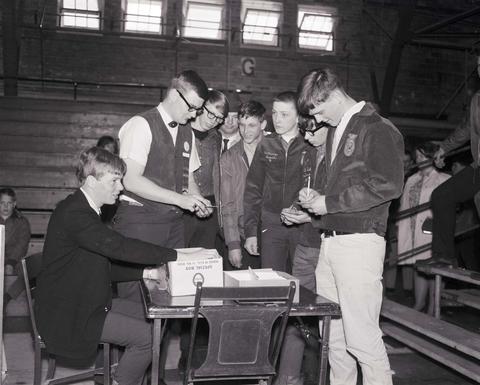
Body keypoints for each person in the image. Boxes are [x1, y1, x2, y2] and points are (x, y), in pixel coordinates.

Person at [34, 147, 216, 385]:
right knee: (146, 338)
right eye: (114, 181)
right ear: (91, 181)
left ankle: (124, 377)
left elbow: (100, 264)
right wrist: (178, 256)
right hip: (69, 312)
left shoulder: (84, 210)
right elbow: (119, 247)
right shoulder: (74, 213)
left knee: (156, 322)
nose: (120, 188)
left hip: (85, 299)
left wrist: (147, 271)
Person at [297, 67, 404, 385]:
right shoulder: (335, 131)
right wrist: (320, 198)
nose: (316, 118)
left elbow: (388, 184)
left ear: (330, 95)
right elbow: (345, 188)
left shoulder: (377, 127)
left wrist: (328, 203)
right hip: (330, 243)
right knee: (335, 342)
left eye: (316, 109)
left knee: (362, 339)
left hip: (359, 243)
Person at [113, 70, 213, 301]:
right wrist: (181, 199)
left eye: (198, 110)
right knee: (137, 297)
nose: (194, 115)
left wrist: (197, 200)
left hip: (173, 224)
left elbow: (188, 178)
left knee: (171, 295)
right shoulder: (141, 124)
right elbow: (130, 179)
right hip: (140, 221)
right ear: (176, 95)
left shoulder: (187, 131)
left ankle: (156, 339)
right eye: (192, 108)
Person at [275, 120, 328, 385]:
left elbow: (339, 208)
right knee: (297, 313)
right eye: (304, 131)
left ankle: (320, 376)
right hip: (306, 245)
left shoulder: (340, 158)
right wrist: (295, 209)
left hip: (328, 247)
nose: (307, 137)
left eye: (312, 131)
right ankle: (289, 377)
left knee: (326, 317)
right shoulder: (310, 154)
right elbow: (307, 196)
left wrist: (306, 219)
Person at [243, 91, 316, 272]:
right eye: (274, 113)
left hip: (303, 225)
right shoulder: (265, 144)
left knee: (302, 283)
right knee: (272, 283)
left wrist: (305, 212)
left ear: (299, 116)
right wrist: (251, 232)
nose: (277, 119)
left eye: (284, 114)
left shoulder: (311, 144)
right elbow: (253, 190)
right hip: (272, 226)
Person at [423, 56, 480, 265]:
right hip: (478, 169)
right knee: (441, 196)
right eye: (479, 66)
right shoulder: (477, 100)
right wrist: (444, 148)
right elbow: (465, 129)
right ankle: (444, 256)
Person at [397, 142, 450, 314]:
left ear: (432, 157)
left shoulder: (444, 179)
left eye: (422, 156)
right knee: (418, 266)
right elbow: (403, 205)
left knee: (435, 268)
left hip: (432, 231)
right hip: (412, 230)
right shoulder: (411, 179)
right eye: (417, 156)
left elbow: (449, 209)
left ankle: (434, 307)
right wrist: (400, 225)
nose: (419, 160)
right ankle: (419, 304)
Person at [220, 100, 267, 269]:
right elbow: (228, 203)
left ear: (263, 124)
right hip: (242, 233)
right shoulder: (228, 157)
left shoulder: (276, 152)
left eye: (252, 125)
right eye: (242, 125)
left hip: (273, 234)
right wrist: (233, 244)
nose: (245, 131)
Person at [184, 90, 229, 248]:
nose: (214, 121)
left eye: (219, 118)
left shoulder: (216, 137)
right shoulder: (181, 131)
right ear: (201, 107)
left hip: (209, 206)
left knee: (205, 257)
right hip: (183, 204)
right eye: (211, 114)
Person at [1, 187, 31, 309]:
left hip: (14, 261)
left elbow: (22, 245)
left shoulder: (22, 222)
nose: (5, 206)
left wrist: (10, 263)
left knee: (25, 274)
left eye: (9, 203)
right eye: (2, 203)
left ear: (14, 204)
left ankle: (6, 298)